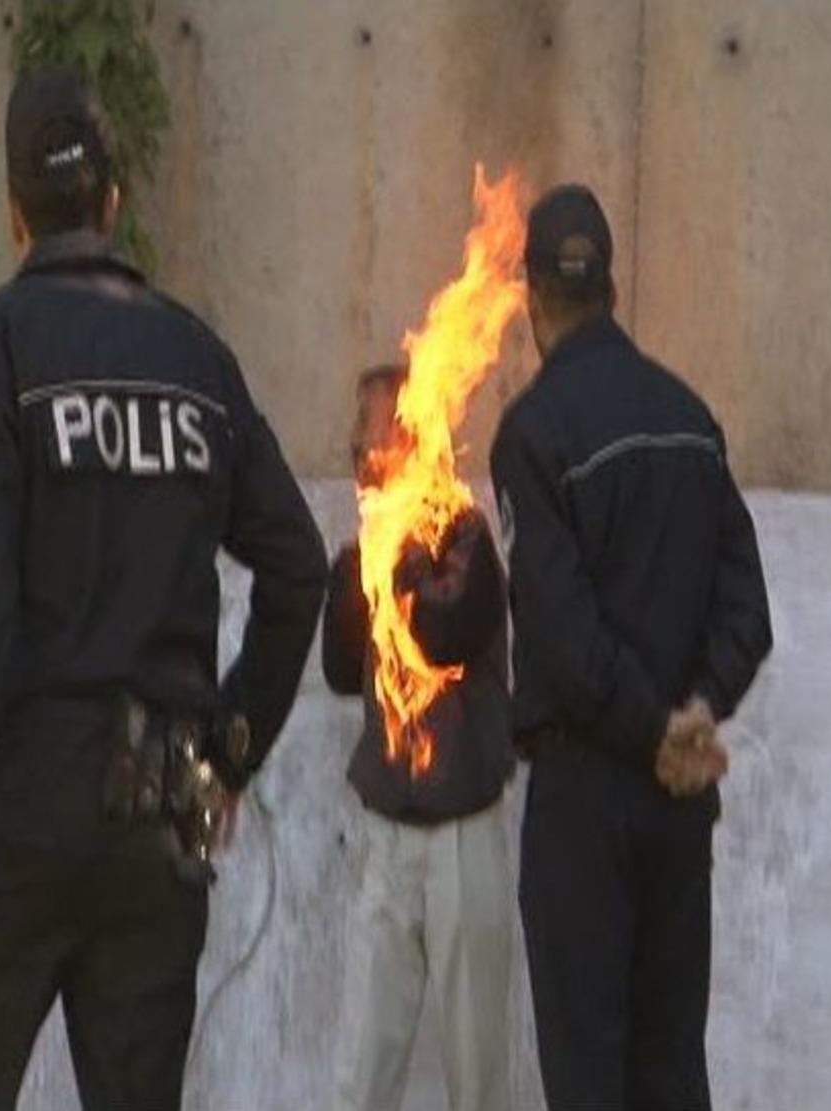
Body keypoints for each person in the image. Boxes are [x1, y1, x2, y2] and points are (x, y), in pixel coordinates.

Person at [0, 66, 327, 1111]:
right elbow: (297, 564)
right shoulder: (197, 358)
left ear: (14, 213)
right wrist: (228, 751)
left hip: (24, 808)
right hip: (160, 821)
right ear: (114, 199)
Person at [490, 184, 773, 1110]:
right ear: (610, 287)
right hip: (680, 803)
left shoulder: (533, 433)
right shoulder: (690, 418)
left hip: (586, 799)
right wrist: (696, 711)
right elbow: (748, 610)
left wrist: (652, 729)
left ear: (532, 295)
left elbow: (562, 633)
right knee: (670, 1069)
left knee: (588, 1074)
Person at [323, 365, 515, 1111]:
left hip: (463, 834)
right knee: (361, 1072)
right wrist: (357, 564)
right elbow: (340, 667)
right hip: (388, 836)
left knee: (477, 1072)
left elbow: (444, 629)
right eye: (356, 431)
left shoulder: (463, 537)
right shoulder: (370, 549)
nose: (357, 447)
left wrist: (391, 552)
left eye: (371, 429)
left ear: (413, 438)